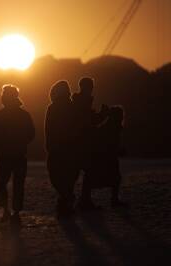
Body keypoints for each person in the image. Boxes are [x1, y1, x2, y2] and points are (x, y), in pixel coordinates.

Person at [0, 84, 35, 225]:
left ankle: (7, 211)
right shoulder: (24, 115)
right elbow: (31, 134)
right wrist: (21, 142)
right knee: (18, 184)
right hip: (18, 155)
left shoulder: (0, 115)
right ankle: (14, 212)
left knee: (1, 183)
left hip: (7, 155)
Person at [71, 77, 108, 211]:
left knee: (84, 172)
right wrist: (102, 115)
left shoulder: (79, 102)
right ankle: (81, 201)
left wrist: (101, 115)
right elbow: (88, 123)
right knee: (86, 172)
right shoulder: (82, 102)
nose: (91, 89)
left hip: (81, 143)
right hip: (82, 144)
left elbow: (89, 122)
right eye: (90, 86)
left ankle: (81, 201)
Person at [84, 106, 127, 207]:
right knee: (108, 178)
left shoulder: (113, 128)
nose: (121, 118)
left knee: (115, 178)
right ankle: (87, 200)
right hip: (104, 158)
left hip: (107, 158)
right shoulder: (110, 128)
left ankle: (113, 199)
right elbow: (107, 144)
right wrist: (117, 151)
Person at [45, 80, 76, 218]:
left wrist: (49, 145)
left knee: (57, 177)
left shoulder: (53, 107)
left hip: (58, 148)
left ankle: (65, 200)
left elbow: (48, 129)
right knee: (68, 177)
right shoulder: (72, 107)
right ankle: (66, 200)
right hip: (69, 148)